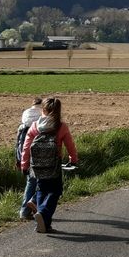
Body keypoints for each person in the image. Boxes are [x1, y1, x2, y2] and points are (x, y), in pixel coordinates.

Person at [20, 96, 78, 234]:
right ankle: (44, 214)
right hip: (54, 165)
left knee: (41, 190)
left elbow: (26, 146)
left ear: (43, 110)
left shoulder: (35, 126)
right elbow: (70, 145)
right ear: (58, 110)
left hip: (37, 166)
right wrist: (73, 159)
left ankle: (43, 224)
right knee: (55, 191)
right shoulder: (61, 126)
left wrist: (24, 164)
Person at [16, 96, 42, 220]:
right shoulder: (41, 116)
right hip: (39, 155)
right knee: (40, 182)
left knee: (31, 181)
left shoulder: (25, 116)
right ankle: (27, 209)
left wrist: (21, 161)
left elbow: (21, 144)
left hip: (25, 154)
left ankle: (29, 209)